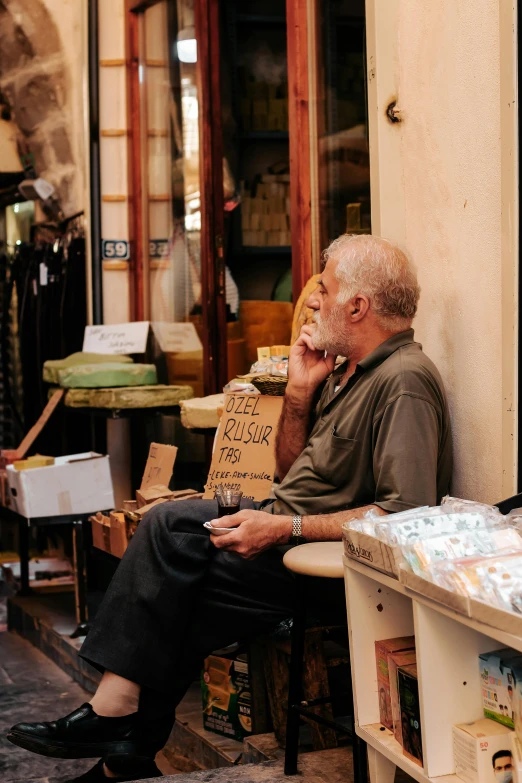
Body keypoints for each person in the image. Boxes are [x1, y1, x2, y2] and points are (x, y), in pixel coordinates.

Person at [7, 234, 453, 782]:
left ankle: (114, 719)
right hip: (286, 533)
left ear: (358, 306)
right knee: (175, 590)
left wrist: (282, 527)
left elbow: (404, 517)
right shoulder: (347, 371)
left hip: (330, 567)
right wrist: (297, 394)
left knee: (169, 532)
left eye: (326, 290)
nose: (313, 301)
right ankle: (123, 754)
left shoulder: (403, 380)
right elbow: (290, 474)